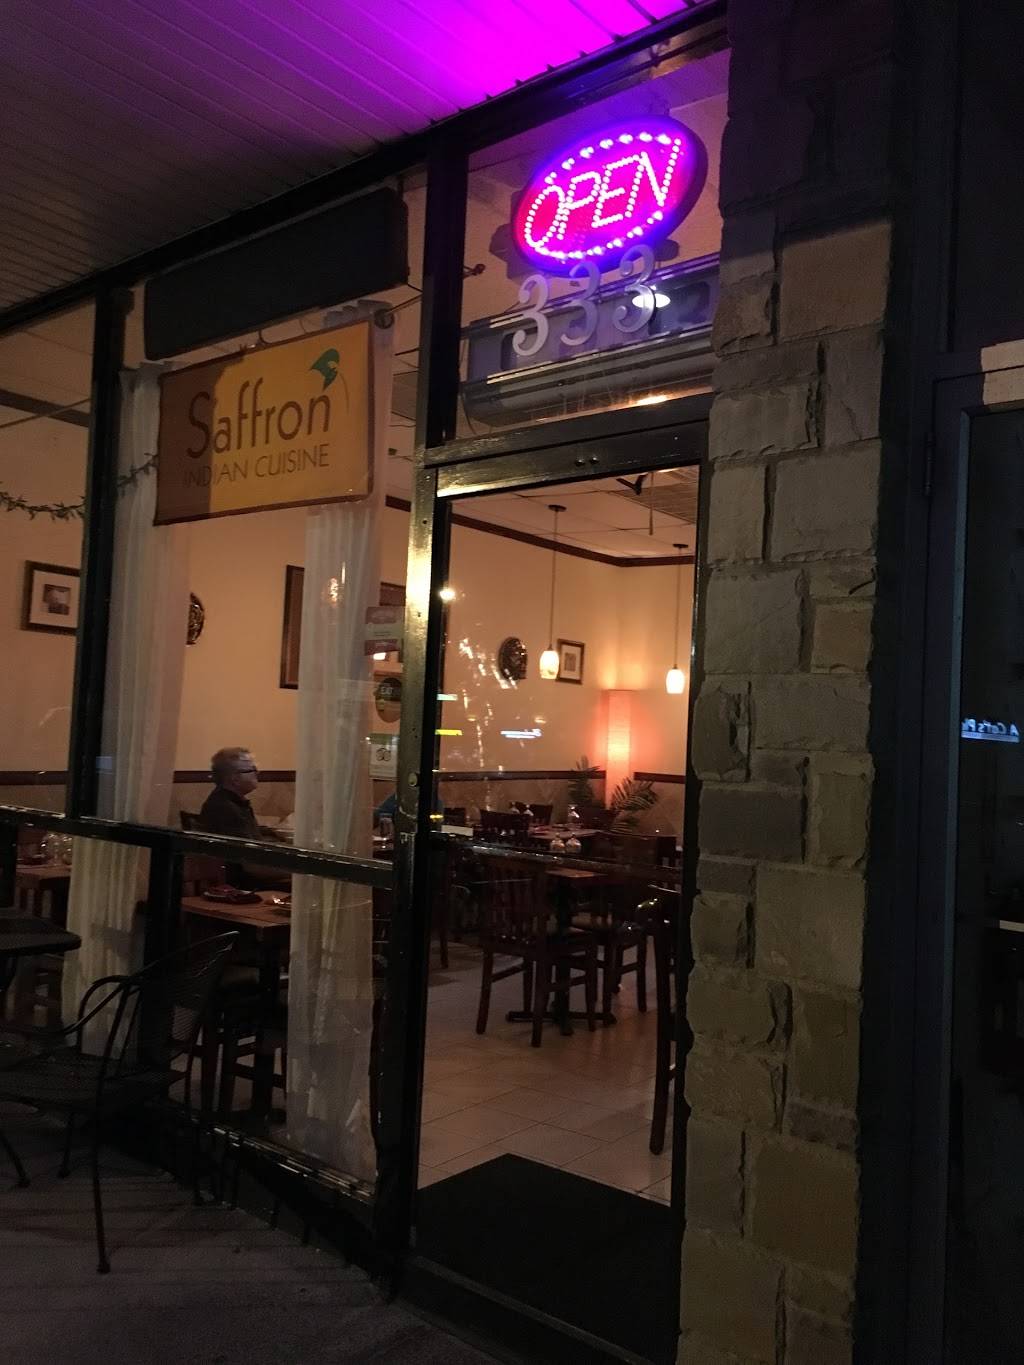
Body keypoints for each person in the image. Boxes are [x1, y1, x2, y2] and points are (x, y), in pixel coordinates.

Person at [198, 747, 288, 889]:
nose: (257, 773)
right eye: (252, 770)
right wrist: (300, 871)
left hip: (246, 878)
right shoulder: (226, 808)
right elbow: (252, 867)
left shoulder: (230, 802)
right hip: (241, 887)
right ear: (234, 778)